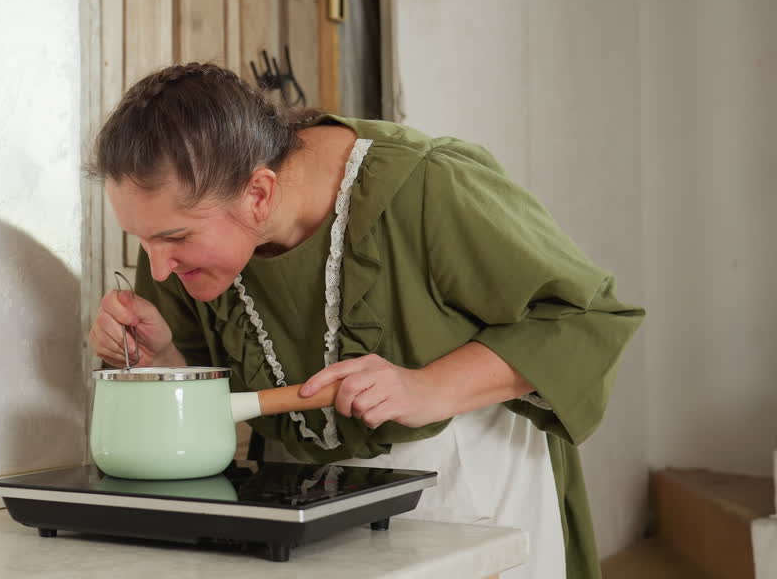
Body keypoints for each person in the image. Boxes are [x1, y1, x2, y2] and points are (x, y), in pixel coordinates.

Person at [87, 63, 644, 579]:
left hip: (464, 483)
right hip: (301, 508)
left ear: (258, 192)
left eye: (175, 239)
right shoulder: (175, 243)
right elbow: (211, 407)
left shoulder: (426, 185)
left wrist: (429, 386)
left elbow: (585, 317)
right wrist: (165, 362)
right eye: (143, 240)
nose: (157, 268)